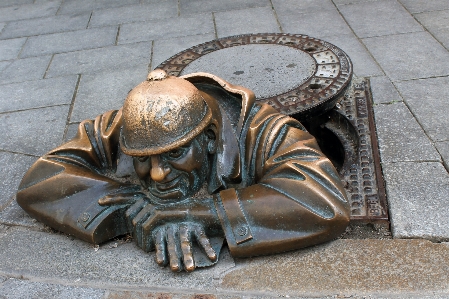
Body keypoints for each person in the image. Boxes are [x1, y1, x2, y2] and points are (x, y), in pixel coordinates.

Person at [17, 69, 350, 272]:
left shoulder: (266, 131)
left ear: (207, 139)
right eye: (143, 159)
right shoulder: (129, 127)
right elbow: (41, 178)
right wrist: (129, 207)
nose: (158, 174)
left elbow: (323, 200)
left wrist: (201, 212)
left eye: (175, 153)